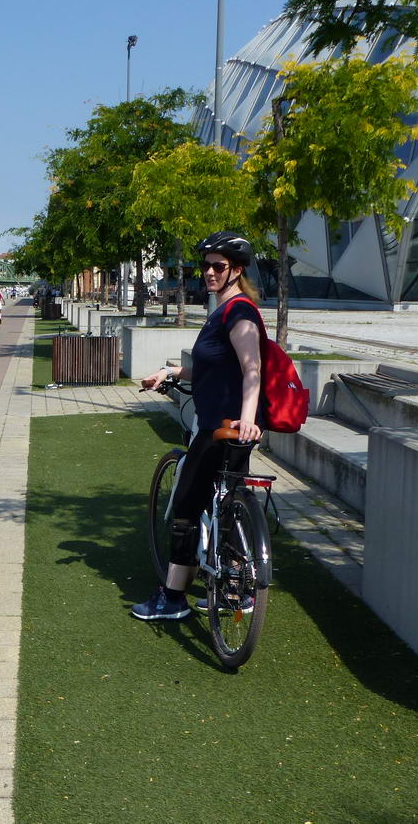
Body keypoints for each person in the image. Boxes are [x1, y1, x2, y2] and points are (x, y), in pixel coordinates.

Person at [131, 231, 263, 622]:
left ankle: (172, 599)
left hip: (223, 429)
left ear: (236, 271)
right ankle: (235, 590)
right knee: (226, 504)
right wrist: (171, 371)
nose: (208, 272)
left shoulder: (239, 312)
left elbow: (252, 369)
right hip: (221, 424)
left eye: (218, 266)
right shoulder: (221, 311)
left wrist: (248, 421)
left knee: (187, 511)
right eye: (204, 265)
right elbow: (212, 367)